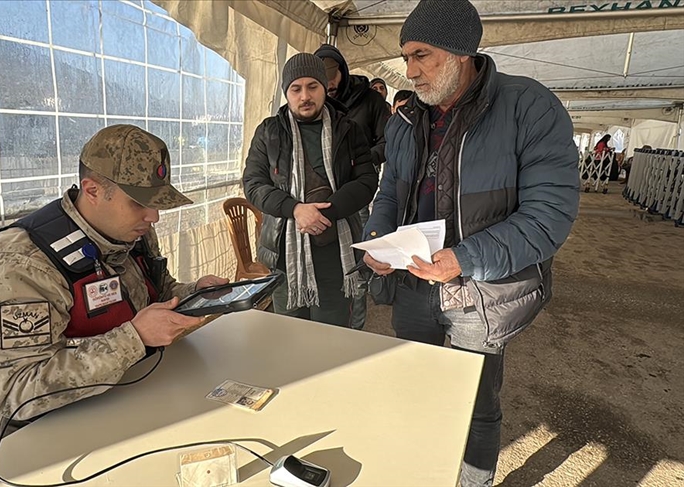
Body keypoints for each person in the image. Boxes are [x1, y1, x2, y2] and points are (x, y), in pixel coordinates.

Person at [362, 1, 580, 485]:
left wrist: (465, 258)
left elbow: (550, 215)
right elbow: (390, 192)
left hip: (481, 290)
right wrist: (377, 242)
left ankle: (473, 480)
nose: (410, 71)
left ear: (461, 52)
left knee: (476, 404)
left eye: (422, 55)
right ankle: (420, 471)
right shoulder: (405, 120)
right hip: (415, 284)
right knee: (416, 389)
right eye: (406, 58)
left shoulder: (528, 107)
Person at [0, 125, 229, 449]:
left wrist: (197, 292)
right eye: (140, 203)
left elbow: (156, 292)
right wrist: (134, 338)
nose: (153, 216)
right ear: (93, 190)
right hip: (42, 438)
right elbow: (21, 391)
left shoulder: (129, 231)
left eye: (156, 202)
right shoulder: (20, 268)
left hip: (127, 395)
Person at [242, 53, 377, 327]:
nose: (305, 95)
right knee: (289, 334)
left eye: (312, 86)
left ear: (324, 87)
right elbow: (254, 183)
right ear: (287, 92)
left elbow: (366, 180)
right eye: (296, 88)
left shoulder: (348, 130)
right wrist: (295, 209)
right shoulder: (269, 132)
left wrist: (329, 212)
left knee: (331, 333)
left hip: (335, 252)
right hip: (285, 252)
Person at [314, 44, 391, 331]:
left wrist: (362, 158)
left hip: (357, 197)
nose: (329, 83)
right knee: (327, 268)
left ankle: (355, 327)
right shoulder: (315, 102)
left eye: (333, 75)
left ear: (343, 72)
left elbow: (388, 141)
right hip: (320, 201)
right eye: (322, 77)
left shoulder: (370, 100)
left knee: (356, 265)